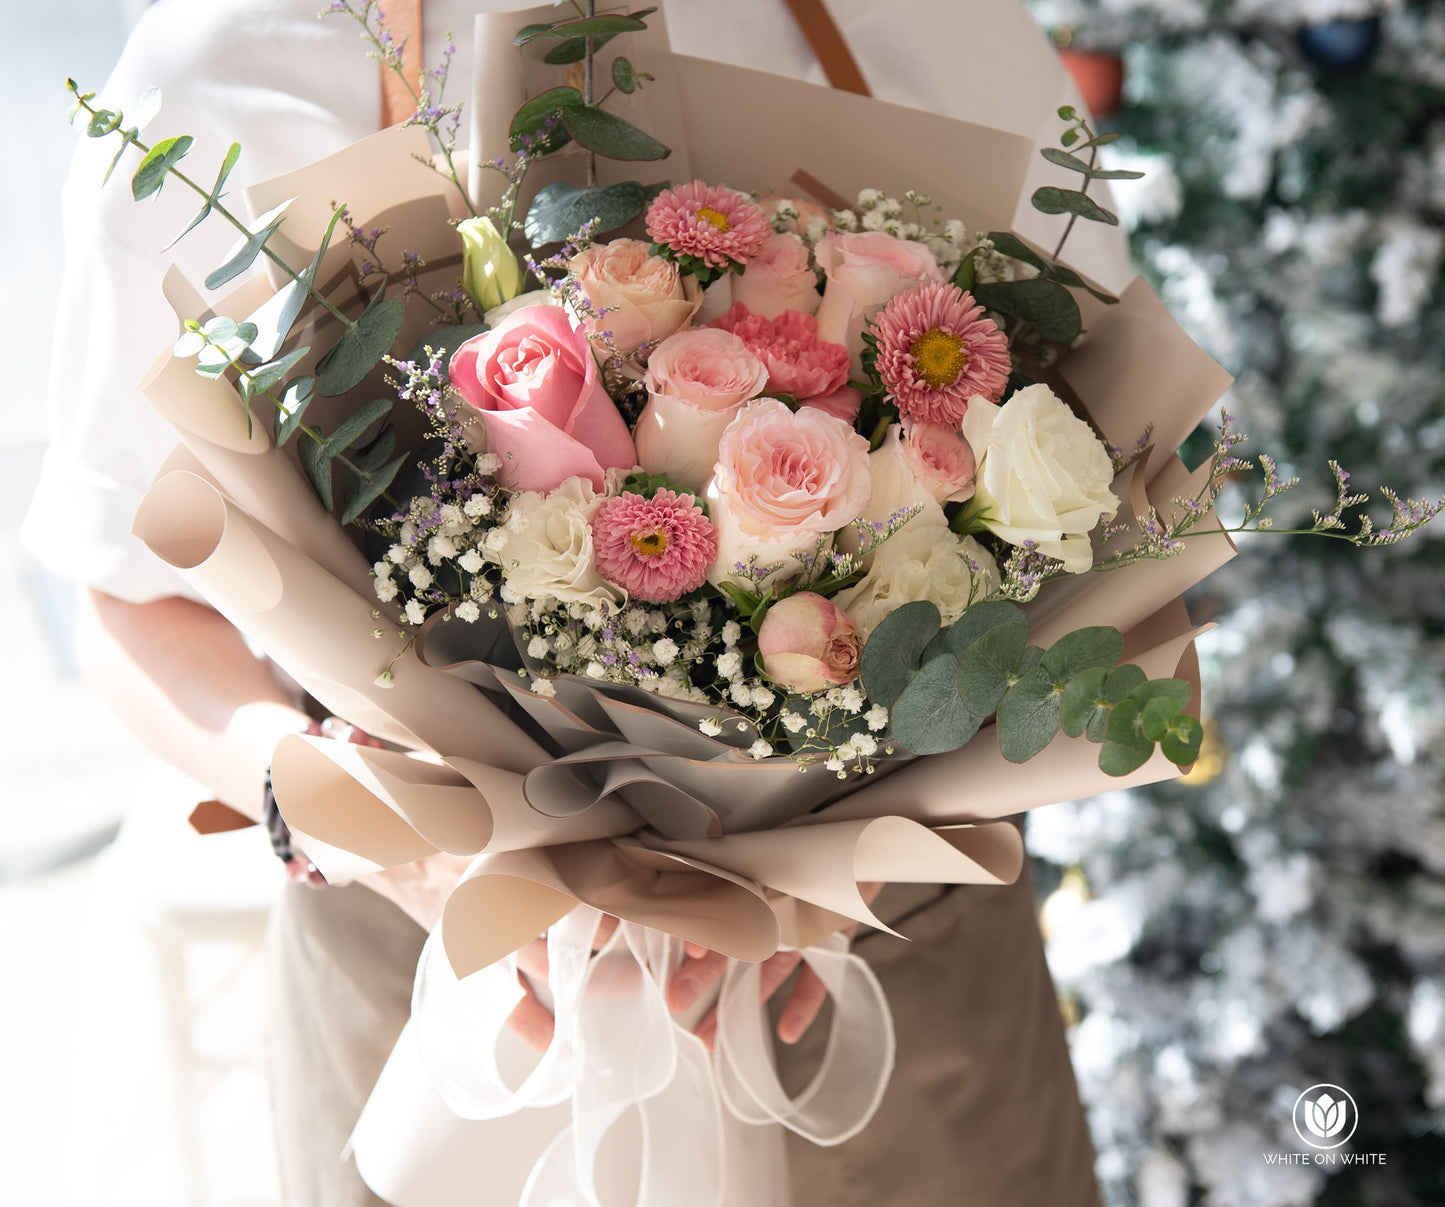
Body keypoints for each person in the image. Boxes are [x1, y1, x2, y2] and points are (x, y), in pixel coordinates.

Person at [25, 1, 1104, 1203]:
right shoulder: (230, 68)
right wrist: (369, 829)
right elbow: (132, 603)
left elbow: (1082, 470)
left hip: (875, 969)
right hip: (448, 990)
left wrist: (846, 860)